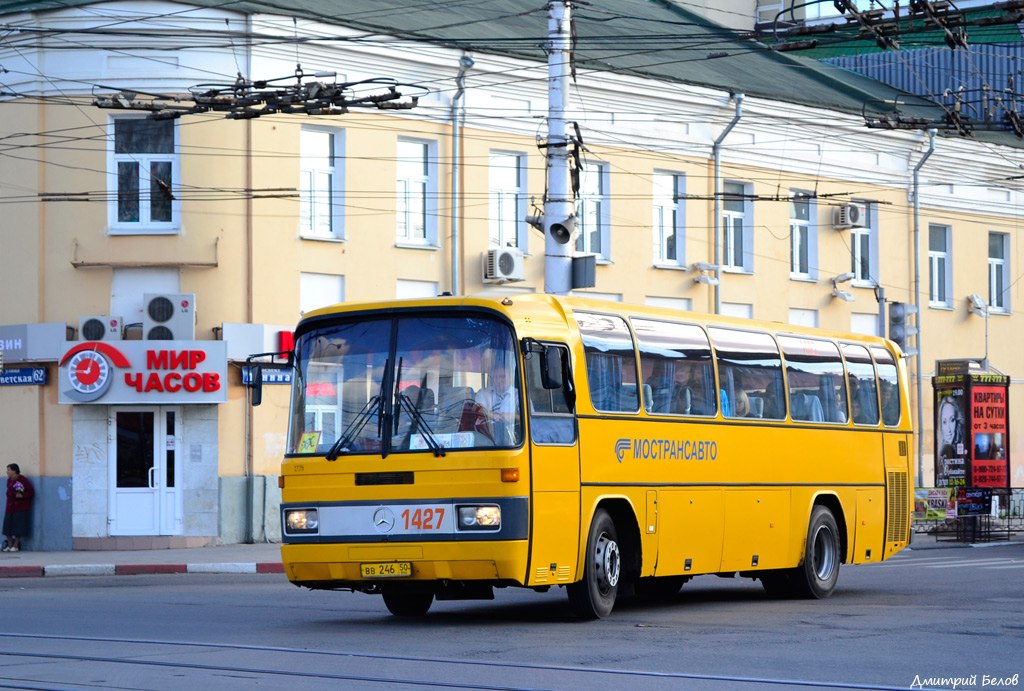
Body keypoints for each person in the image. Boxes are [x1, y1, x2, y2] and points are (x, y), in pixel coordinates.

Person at [3, 464, 35, 553]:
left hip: (20, 507)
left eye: (9, 470)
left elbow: (31, 492)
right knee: (7, 527)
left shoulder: (22, 480)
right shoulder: (9, 481)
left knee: (18, 527)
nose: (7, 472)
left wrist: (22, 495)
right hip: (10, 507)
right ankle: (10, 545)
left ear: (14, 471)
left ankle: (15, 545)